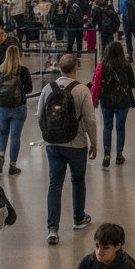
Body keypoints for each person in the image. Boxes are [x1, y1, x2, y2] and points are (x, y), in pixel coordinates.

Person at [36, 54, 98, 245]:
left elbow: (39, 115)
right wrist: (94, 143)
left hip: (54, 144)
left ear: (59, 68)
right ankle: (79, 218)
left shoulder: (48, 88)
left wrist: (48, 136)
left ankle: (53, 228)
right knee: (78, 180)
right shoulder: (81, 90)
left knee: (55, 183)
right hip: (77, 144)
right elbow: (90, 120)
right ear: (76, 68)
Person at [0, 43, 32, 176]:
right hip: (18, 107)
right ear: (19, 55)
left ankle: (1, 156)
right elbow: (29, 89)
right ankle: (12, 165)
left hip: (1, 107)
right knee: (15, 136)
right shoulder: (23, 70)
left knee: (3, 132)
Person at [96, 39, 135, 168]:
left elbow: (97, 82)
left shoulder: (102, 65)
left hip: (106, 100)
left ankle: (107, 154)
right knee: (120, 128)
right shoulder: (126, 65)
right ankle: (119, 155)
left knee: (107, 127)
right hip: (122, 100)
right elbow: (133, 84)